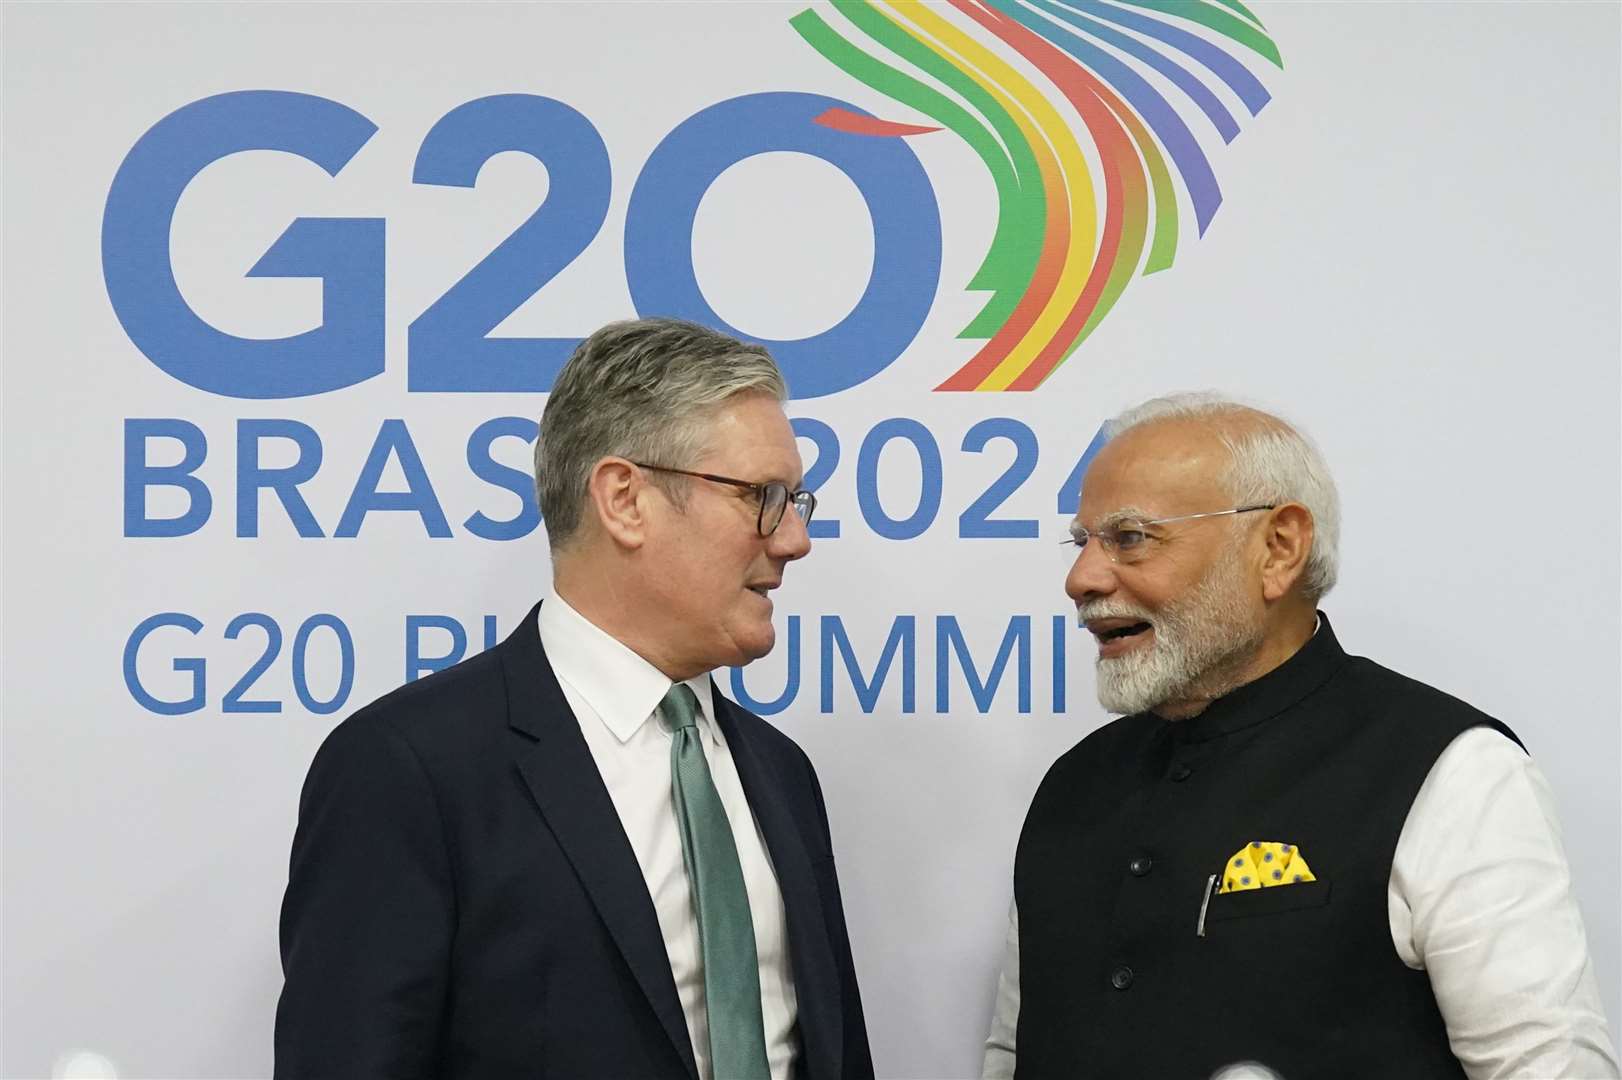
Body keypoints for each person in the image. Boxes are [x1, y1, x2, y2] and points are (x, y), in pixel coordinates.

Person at [275, 318, 873, 1080]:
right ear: (625, 500)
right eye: (763, 497)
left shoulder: (782, 774)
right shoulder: (410, 770)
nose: (794, 539)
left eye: (796, 501)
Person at [983, 393, 1618, 1080]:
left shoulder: (1452, 771)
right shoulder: (1073, 784)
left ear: (1279, 548)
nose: (1081, 579)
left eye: (1131, 537)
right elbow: (1015, 1054)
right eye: (1082, 543)